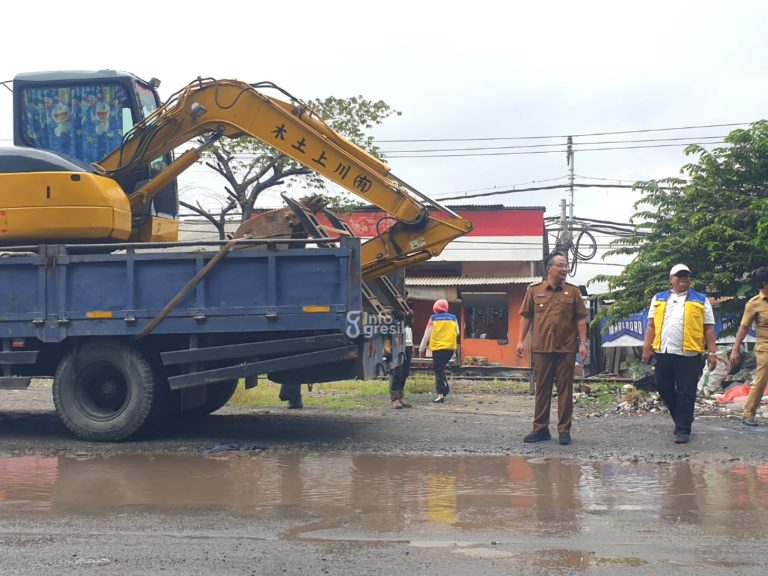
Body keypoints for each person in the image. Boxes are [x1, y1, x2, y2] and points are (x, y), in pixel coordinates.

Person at [516, 252, 588, 445]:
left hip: (566, 348)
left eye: (566, 266)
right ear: (549, 268)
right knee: (542, 389)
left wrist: (583, 343)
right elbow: (525, 316)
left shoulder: (573, 292)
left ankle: (564, 430)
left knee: (565, 390)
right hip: (541, 348)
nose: (565, 269)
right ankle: (540, 429)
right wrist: (520, 341)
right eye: (561, 265)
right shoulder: (534, 290)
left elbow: (580, 318)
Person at [642, 263, 718, 444]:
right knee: (662, 386)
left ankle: (683, 429)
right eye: (679, 275)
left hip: (689, 354)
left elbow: (708, 328)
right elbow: (651, 325)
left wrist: (712, 352)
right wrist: (646, 347)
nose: (683, 279)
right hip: (663, 352)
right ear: (671, 279)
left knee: (686, 391)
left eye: (686, 276)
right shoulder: (659, 298)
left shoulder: (701, 299)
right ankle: (681, 418)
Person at [729, 267, 768, 426]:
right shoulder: (753, 304)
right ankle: (748, 413)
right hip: (765, 348)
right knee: (761, 380)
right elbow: (743, 328)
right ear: (764, 283)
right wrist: (735, 349)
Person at [419, 299, 459, 403]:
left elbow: (427, 334)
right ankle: (445, 389)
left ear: (435, 308)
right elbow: (457, 332)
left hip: (438, 349)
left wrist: (421, 348)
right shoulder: (453, 318)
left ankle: (441, 394)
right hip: (450, 349)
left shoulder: (433, 318)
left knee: (438, 370)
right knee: (441, 369)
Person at [390, 316, 414, 409]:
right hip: (399, 345)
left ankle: (400, 396)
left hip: (408, 345)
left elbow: (409, 332)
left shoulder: (408, 318)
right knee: (398, 372)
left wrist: (411, 344)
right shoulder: (397, 317)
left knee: (405, 372)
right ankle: (394, 398)